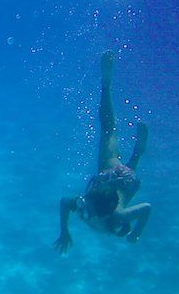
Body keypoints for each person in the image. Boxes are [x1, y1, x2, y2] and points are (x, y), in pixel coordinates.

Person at [54, 51, 151, 254]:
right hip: (123, 180)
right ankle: (138, 151)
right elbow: (145, 208)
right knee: (111, 136)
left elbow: (146, 209)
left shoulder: (110, 214)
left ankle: (106, 86)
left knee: (109, 131)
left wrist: (65, 232)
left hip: (118, 177)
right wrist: (64, 231)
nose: (83, 206)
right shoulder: (109, 214)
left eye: (86, 208)